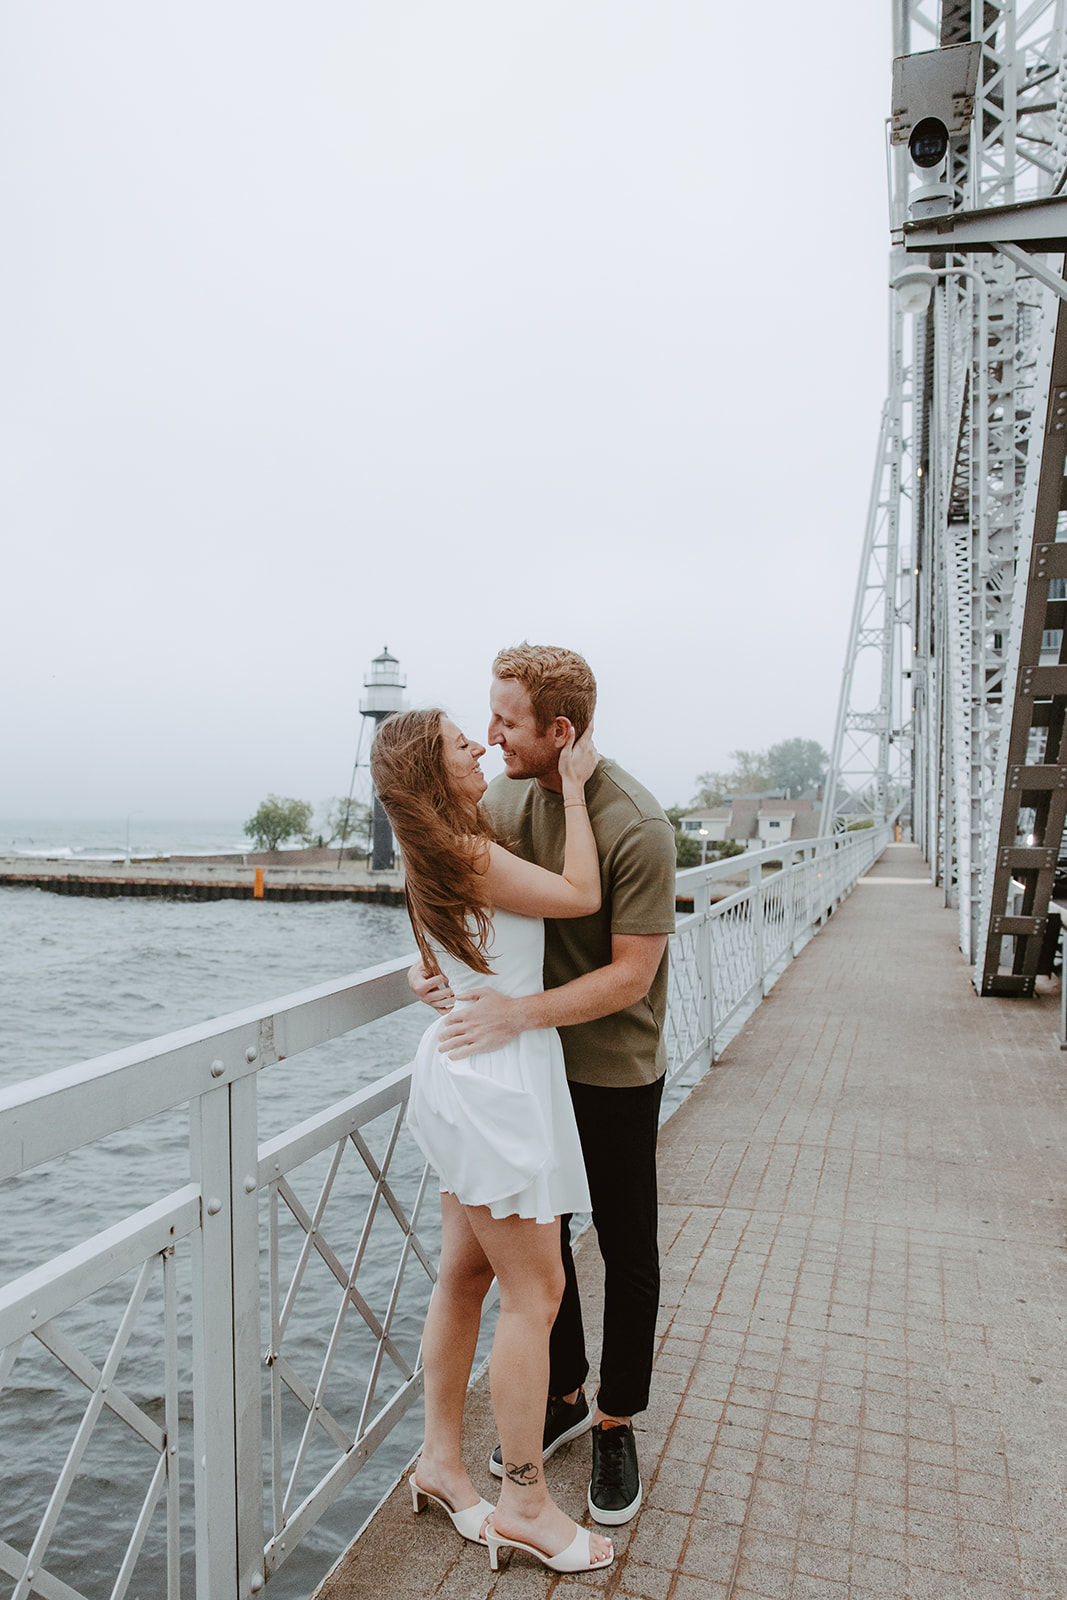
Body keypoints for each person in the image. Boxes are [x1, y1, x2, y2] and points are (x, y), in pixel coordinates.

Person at [417, 643, 677, 1528]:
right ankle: (563, 1393)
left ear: (559, 731)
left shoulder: (636, 823)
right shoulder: (497, 799)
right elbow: (463, 897)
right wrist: (440, 972)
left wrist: (513, 1017)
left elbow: (630, 978)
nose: (488, 736)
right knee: (545, 1250)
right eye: (482, 721)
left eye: (506, 722)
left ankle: (615, 1417)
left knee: (627, 1243)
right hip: (526, 1070)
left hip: (608, 1067)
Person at [370, 707, 614, 1574]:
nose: (478, 743)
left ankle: (439, 1464)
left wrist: (426, 971)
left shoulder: (436, 844)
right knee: (536, 1291)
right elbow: (581, 896)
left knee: (469, 1274)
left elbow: (448, 953)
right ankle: (523, 1502)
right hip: (496, 1076)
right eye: (457, 743)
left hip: (468, 1066)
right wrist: (579, 793)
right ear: (433, 772)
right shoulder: (467, 851)